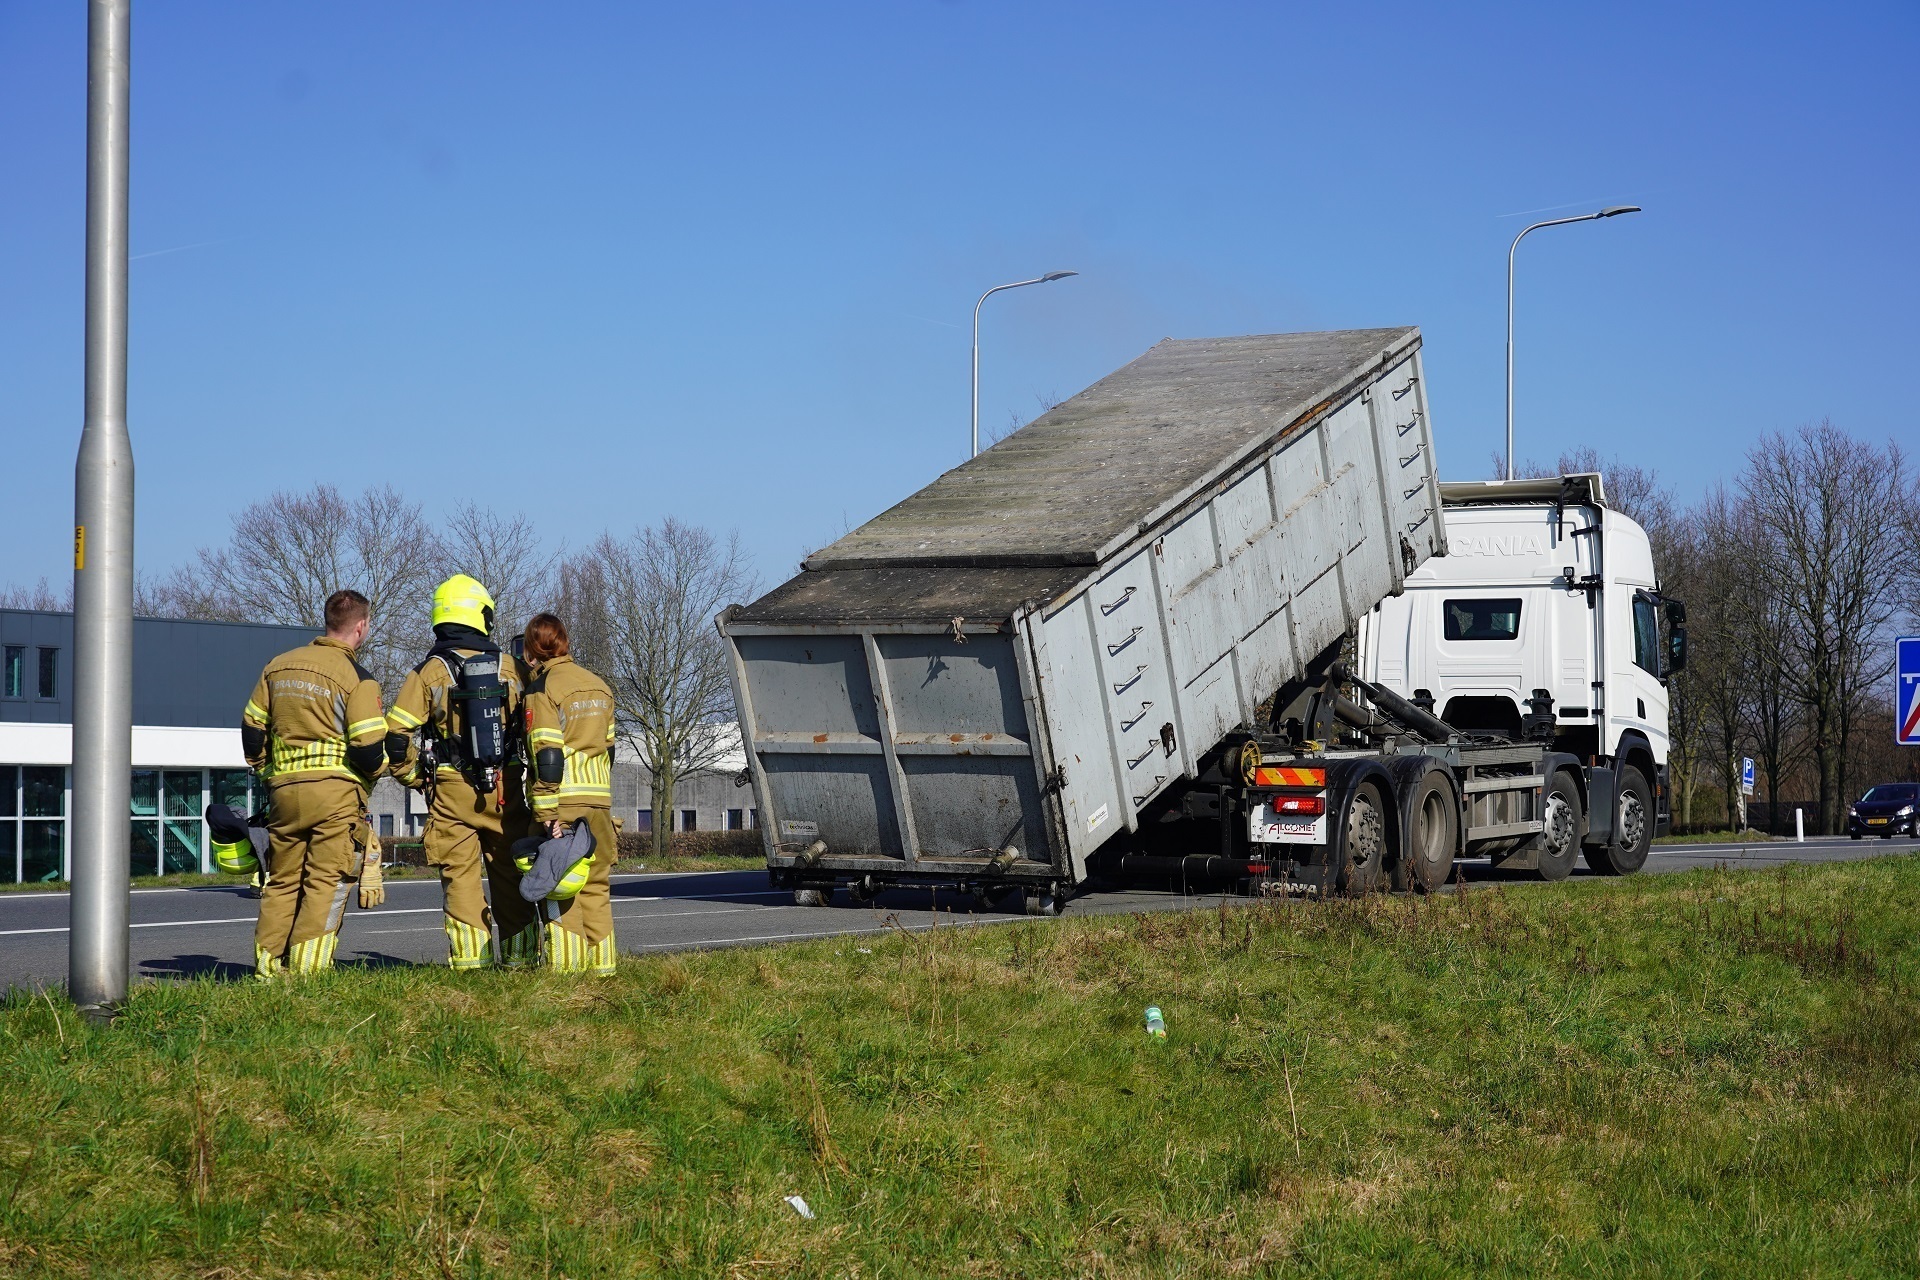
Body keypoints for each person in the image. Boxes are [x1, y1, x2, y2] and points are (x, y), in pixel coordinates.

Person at [384, 574, 538, 970]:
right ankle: (521, 962)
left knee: (461, 880)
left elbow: (396, 735)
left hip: (451, 789)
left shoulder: (429, 672)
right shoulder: (513, 669)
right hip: (506, 791)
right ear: (481, 615)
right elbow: (539, 728)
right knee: (511, 876)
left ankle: (472, 965)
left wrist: (414, 776)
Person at [243, 589, 388, 979]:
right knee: (326, 880)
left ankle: (267, 968)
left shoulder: (277, 666)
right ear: (361, 626)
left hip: (284, 794)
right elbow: (369, 749)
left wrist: (266, 771)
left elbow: (253, 728)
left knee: (282, 881)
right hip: (335, 796)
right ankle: (307, 972)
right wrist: (381, 771)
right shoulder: (357, 677)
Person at [520, 612, 619, 975]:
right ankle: (604, 969)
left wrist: (547, 813)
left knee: (560, 889)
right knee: (596, 886)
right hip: (599, 802)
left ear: (532, 651)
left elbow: (547, 755)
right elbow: (609, 749)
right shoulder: (600, 686)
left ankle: (566, 974)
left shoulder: (543, 689)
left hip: (563, 801)